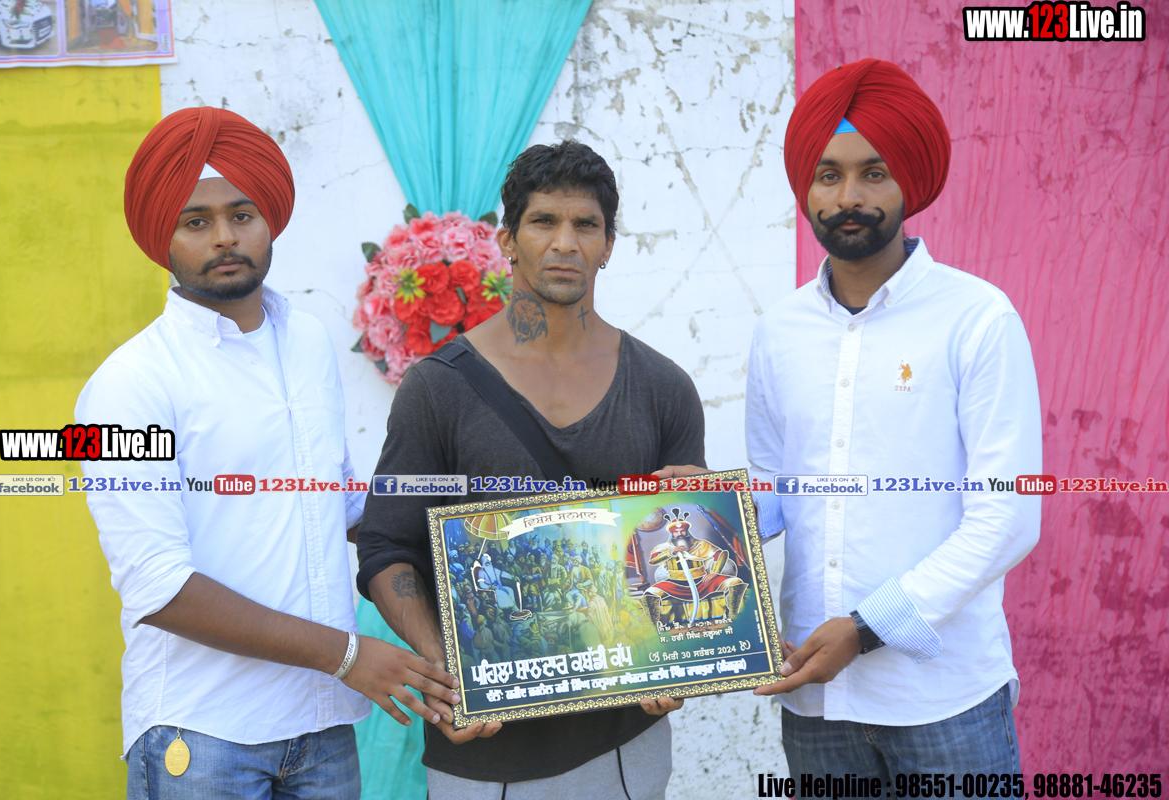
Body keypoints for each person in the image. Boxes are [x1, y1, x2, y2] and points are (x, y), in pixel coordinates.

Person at [661, 57, 1041, 775]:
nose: (849, 197)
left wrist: (866, 630)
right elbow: (780, 491)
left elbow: (1008, 517)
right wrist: (707, 505)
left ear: (908, 184)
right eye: (828, 175)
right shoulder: (780, 331)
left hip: (943, 697)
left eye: (874, 173)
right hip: (817, 697)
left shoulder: (977, 318)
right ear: (806, 189)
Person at [77, 106, 458, 799]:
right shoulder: (126, 386)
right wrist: (348, 656)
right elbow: (157, 585)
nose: (224, 236)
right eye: (196, 221)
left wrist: (481, 526)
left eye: (241, 214)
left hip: (322, 727)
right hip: (202, 735)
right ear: (162, 236)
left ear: (270, 220)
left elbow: (338, 502)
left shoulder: (307, 342)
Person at [357, 140, 705, 799]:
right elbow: (386, 548)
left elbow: (680, 554)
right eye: (544, 221)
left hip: (622, 743)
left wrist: (677, 656)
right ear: (508, 241)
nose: (565, 243)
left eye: (586, 225)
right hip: (485, 755)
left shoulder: (664, 389)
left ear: (608, 244)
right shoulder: (437, 389)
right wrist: (447, 669)